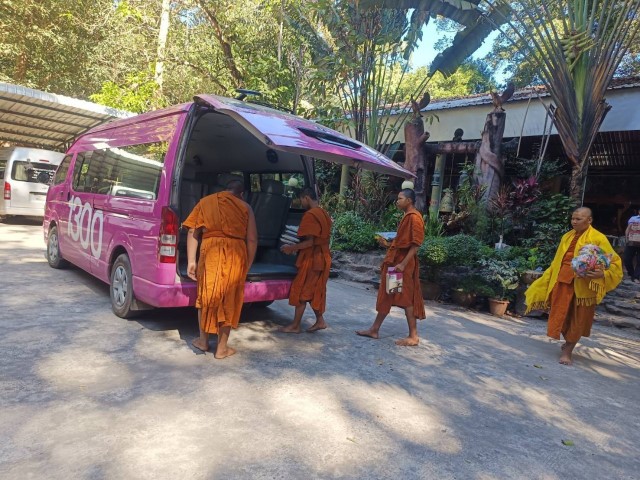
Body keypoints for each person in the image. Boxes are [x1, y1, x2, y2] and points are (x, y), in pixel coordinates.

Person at [525, 207, 623, 365]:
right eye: (573, 218)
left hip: (584, 285)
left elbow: (614, 262)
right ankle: (567, 342)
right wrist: (549, 277)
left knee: (579, 318)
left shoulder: (598, 238)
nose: (574, 222)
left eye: (578, 219)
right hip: (563, 280)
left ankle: (568, 351)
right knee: (561, 314)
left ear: (589, 220)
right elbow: (558, 260)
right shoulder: (567, 236)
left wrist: (603, 274)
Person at [183, 180, 258, 359]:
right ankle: (222, 348)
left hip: (210, 253)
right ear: (241, 194)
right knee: (229, 298)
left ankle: (203, 341)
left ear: (225, 191)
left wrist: (191, 261)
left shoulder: (206, 202)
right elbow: (252, 239)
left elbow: (193, 231)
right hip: (235, 255)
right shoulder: (245, 207)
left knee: (206, 294)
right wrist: (247, 264)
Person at [356, 189, 426, 346]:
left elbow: (416, 245)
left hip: (403, 266)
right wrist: (388, 244)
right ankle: (374, 329)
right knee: (389, 294)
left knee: (406, 298)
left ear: (409, 200)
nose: (397, 201)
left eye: (400, 198)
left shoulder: (414, 217)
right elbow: (403, 242)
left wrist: (403, 264)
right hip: (396, 264)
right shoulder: (407, 216)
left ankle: (413, 336)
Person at [279, 188, 332, 333]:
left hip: (313, 259)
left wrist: (291, 248)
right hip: (323, 256)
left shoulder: (311, 214)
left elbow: (310, 242)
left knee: (302, 290)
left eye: (301, 200)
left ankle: (295, 326)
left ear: (306, 198)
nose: (301, 203)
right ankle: (320, 321)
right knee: (312, 290)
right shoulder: (323, 213)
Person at [623, 207, 640, 283]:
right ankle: (632, 274)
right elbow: (628, 229)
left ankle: (636, 277)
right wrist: (626, 238)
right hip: (631, 242)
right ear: (639, 211)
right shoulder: (633, 218)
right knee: (627, 259)